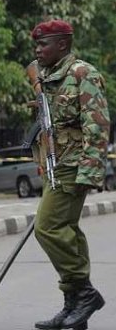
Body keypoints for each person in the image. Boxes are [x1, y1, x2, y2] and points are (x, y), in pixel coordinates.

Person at [29, 20, 109, 330]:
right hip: (55, 162)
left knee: (47, 228)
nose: (38, 50)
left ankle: (84, 294)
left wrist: (90, 170)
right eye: (36, 45)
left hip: (73, 165)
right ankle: (74, 305)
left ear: (62, 44)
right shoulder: (48, 77)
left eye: (43, 44)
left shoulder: (82, 74)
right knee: (67, 230)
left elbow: (97, 125)